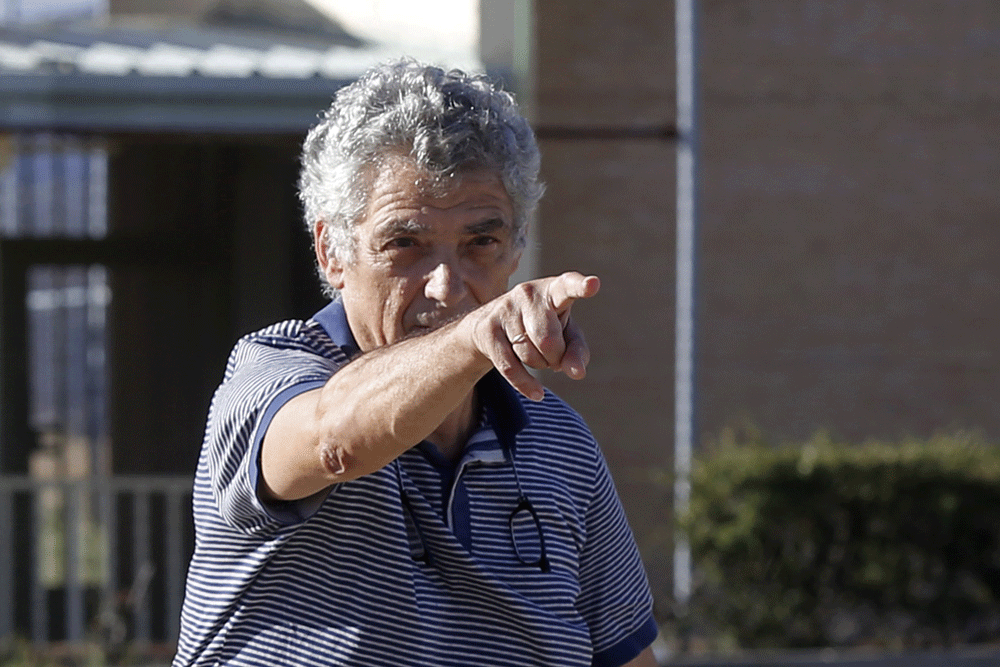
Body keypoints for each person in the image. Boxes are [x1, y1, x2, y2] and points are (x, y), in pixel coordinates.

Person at [173, 58, 658, 667]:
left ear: (517, 249)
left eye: (480, 242)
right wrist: (473, 336)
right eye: (405, 244)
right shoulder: (270, 374)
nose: (445, 287)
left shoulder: (560, 444)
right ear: (332, 252)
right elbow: (333, 440)